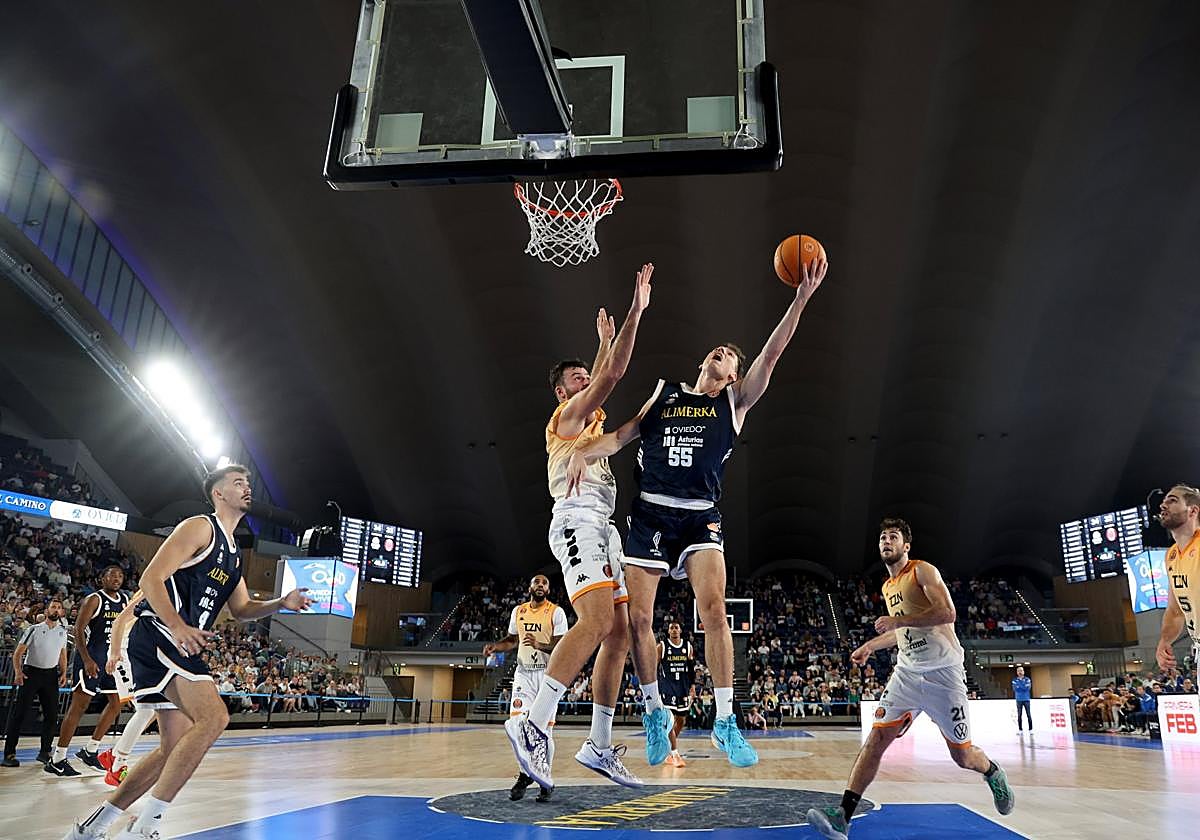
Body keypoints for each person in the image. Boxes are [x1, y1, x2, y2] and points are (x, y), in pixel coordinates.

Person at [566, 255, 827, 768]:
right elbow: (620, 437)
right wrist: (582, 449)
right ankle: (653, 712)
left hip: (700, 517)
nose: (721, 353)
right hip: (650, 517)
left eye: (730, 356)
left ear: (733, 375)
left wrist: (800, 299)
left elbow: (771, 358)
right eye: (719, 351)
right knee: (637, 619)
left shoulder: (733, 404)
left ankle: (726, 722)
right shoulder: (663, 394)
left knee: (714, 612)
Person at [61, 464, 313, 840]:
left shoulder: (234, 553)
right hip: (161, 633)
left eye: (248, 483)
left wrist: (281, 601)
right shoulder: (200, 527)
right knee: (214, 719)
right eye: (238, 483)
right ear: (219, 493)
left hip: (174, 640)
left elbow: (242, 610)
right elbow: (150, 579)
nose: (247, 489)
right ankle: (145, 825)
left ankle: (92, 827)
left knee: (173, 747)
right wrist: (179, 627)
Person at [505, 265, 653, 794]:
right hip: (576, 523)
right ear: (560, 394)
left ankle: (597, 742)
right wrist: (636, 311)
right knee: (592, 624)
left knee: (618, 635)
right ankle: (533, 721)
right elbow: (607, 378)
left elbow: (622, 425)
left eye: (583, 378)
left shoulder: (589, 435)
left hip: (604, 528)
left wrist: (661, 404)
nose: (585, 383)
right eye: (574, 381)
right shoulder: (565, 421)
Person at [806, 519, 1015, 840]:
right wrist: (871, 645)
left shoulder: (922, 571)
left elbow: (947, 613)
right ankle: (842, 817)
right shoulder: (888, 586)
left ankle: (992, 771)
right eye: (882, 537)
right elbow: (903, 630)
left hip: (943, 674)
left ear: (906, 546)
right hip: (907, 673)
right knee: (876, 740)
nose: (886, 541)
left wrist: (896, 621)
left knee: (962, 756)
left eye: (893, 537)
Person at [483, 574, 568, 802]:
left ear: (548, 590)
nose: (540, 585)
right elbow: (512, 640)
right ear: (530, 587)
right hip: (523, 673)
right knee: (519, 726)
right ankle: (525, 774)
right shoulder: (518, 611)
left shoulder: (556, 612)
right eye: (536, 582)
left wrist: (541, 644)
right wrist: (496, 647)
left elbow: (565, 644)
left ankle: (545, 780)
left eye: (545, 583)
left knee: (544, 731)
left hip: (548, 675)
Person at [45, 566, 130, 777]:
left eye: (120, 576)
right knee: (79, 706)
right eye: (112, 575)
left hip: (112, 660)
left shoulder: (125, 601)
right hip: (91, 658)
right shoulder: (94, 599)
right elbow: (78, 629)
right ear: (102, 578)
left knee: (117, 703)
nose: (117, 579)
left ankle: (90, 750)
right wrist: (87, 659)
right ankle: (57, 759)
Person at [97, 591, 160, 787]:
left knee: (158, 708)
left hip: (142, 654)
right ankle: (117, 765)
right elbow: (119, 621)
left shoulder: (176, 594)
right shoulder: (153, 589)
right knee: (148, 708)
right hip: (124, 651)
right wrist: (115, 652)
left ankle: (114, 755)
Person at [2, 597, 69, 766]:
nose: (55, 610)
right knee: (19, 714)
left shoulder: (63, 631)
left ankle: (45, 752)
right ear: (47, 611)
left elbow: (63, 654)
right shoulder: (34, 629)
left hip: (51, 676)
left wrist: (63, 673)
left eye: (58, 607)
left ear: (61, 612)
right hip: (31, 673)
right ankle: (9, 754)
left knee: (52, 715)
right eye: (53, 607)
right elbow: (18, 653)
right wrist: (18, 672)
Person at [1156, 485, 1199, 677]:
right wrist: (1164, 641)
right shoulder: (1171, 555)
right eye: (1164, 501)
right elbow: (1175, 611)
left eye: (1172, 500)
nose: (1163, 505)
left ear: (1193, 510)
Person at [656, 620, 695, 767]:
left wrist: (692, 686)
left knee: (681, 721)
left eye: (676, 627)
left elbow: (691, 668)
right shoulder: (662, 646)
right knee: (670, 721)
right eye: (671, 628)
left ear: (680, 630)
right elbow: (653, 666)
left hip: (683, 688)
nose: (673, 630)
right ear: (668, 631)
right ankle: (674, 753)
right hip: (668, 688)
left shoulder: (687, 646)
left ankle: (668, 749)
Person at [1011, 666, 1032, 735]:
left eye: (1021, 670)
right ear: (1017, 672)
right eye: (1019, 671)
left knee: (1028, 714)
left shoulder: (1027, 679)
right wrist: (1022, 686)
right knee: (1019, 715)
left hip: (1026, 699)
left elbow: (1027, 688)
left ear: (1023, 671)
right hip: (1019, 699)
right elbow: (1015, 689)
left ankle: (1030, 729)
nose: (1020, 672)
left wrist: (1019, 686)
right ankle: (1020, 729)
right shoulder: (1014, 680)